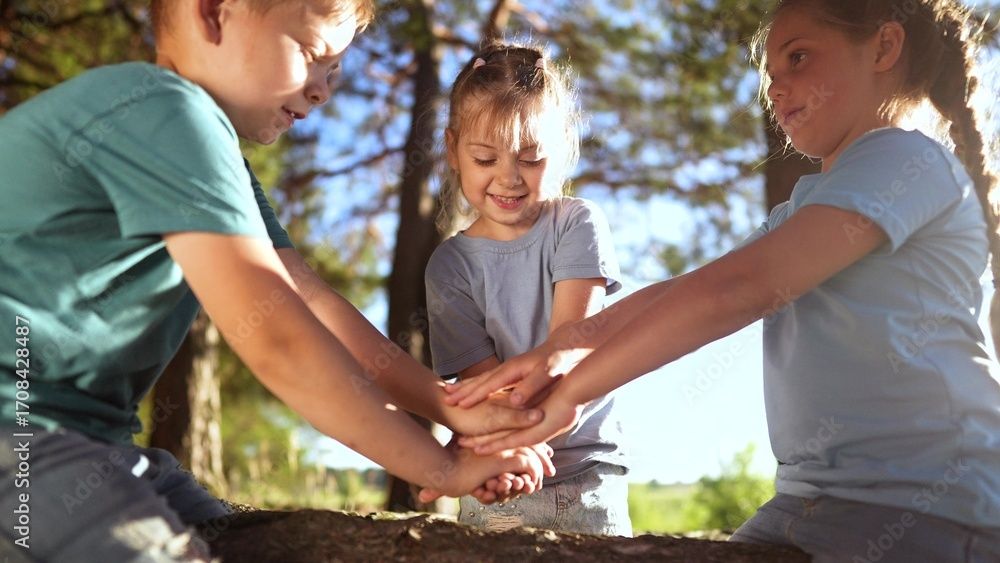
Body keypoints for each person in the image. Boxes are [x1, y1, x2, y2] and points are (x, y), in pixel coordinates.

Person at [442, 1, 1000, 560]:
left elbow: (737, 291)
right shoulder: (800, 209)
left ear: (883, 47)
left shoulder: (906, 160)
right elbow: (684, 289)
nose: (775, 89)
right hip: (811, 500)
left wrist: (569, 395)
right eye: (770, 74)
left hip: (929, 504)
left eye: (799, 58)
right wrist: (562, 352)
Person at [0, 1, 552, 560]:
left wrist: (449, 407)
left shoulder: (216, 159)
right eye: (314, 56)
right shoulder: (160, 109)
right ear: (215, 13)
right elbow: (279, 339)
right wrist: (441, 465)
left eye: (335, 72)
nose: (323, 91)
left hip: (96, 447)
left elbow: (310, 303)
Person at [424, 41, 631, 535]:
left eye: (531, 158)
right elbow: (487, 390)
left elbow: (570, 346)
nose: (508, 178)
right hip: (500, 469)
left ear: (561, 149)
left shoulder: (577, 224)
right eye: (485, 158)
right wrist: (506, 448)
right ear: (454, 151)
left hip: (585, 473)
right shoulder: (449, 267)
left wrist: (507, 430)